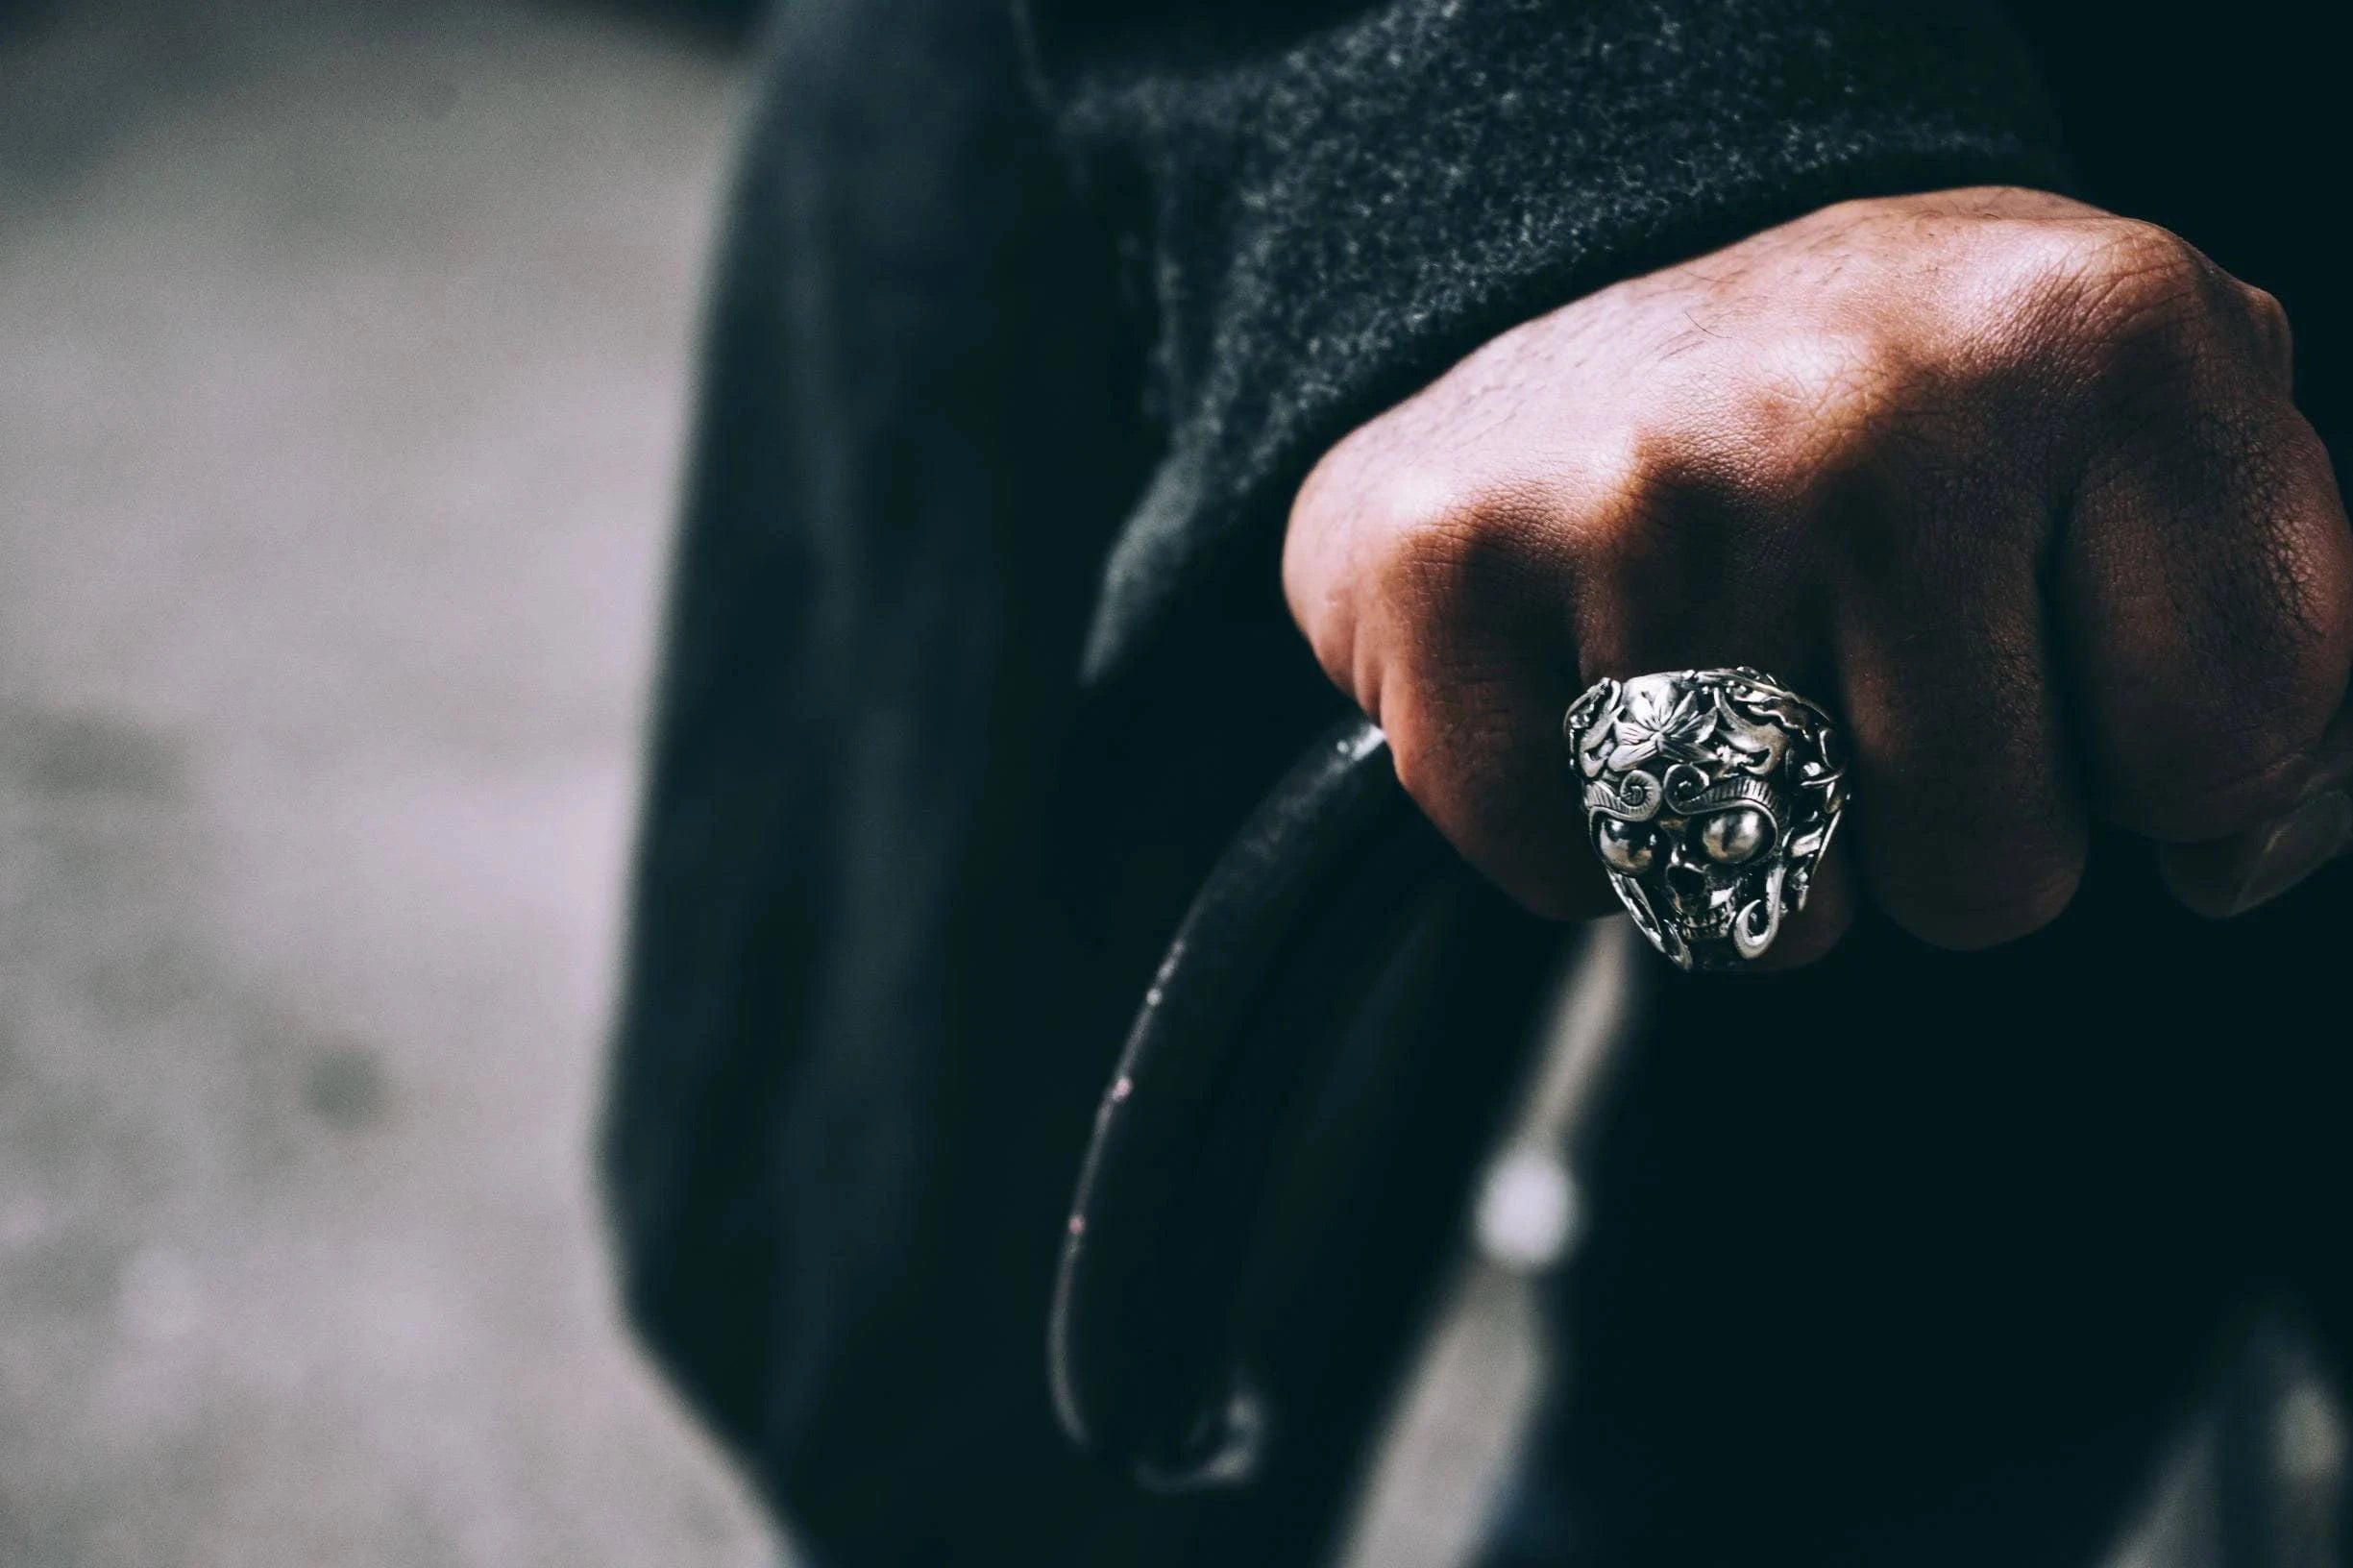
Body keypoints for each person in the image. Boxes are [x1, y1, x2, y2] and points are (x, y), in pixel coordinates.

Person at [601, 2, 2353, 1562]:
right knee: (1005, 1400)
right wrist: (1596, 131)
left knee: (1918, 1387)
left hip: (2199, 455)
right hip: (1269, 141)